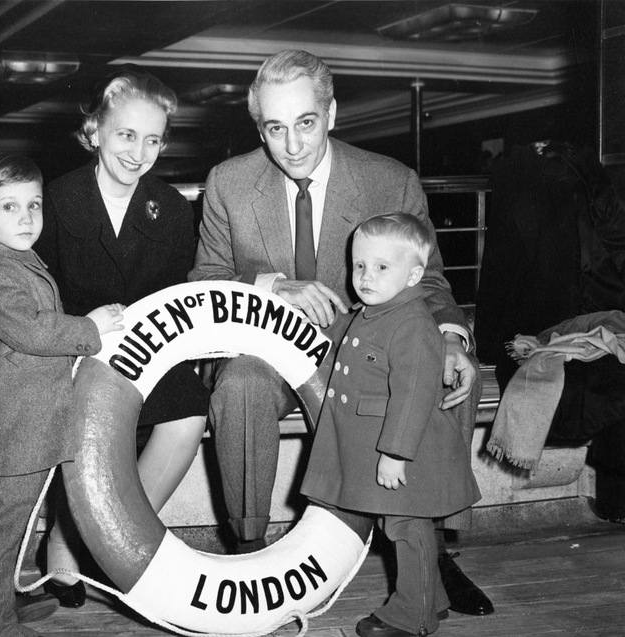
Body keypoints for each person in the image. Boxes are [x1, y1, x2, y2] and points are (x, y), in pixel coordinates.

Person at [188, 49, 493, 616]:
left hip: (372, 346)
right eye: (275, 129)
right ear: (260, 128)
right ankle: (249, 546)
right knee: (241, 385)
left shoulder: (389, 180)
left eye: (306, 123)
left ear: (331, 114)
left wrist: (452, 338)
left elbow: (431, 286)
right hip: (270, 349)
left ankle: (430, 550)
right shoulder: (228, 183)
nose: (293, 145)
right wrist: (272, 286)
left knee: (441, 367)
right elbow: (205, 278)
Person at [34, 66, 209, 607]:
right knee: (85, 428)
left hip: (149, 354)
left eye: (153, 139)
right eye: (126, 135)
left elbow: (178, 294)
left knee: (188, 414)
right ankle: (64, 548)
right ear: (95, 133)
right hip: (75, 355)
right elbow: (38, 297)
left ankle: (109, 537)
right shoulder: (55, 201)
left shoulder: (175, 208)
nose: (139, 152)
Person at [0, 153, 125, 637]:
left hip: (18, 429)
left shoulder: (14, 259)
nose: (26, 218)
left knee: (7, 533)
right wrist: (90, 328)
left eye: (34, 205)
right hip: (5, 433)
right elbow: (34, 332)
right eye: (10, 207)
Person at [301, 214, 482, 637]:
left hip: (408, 451)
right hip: (381, 446)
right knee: (398, 525)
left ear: (414, 274)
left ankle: (411, 616)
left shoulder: (415, 324)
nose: (365, 276)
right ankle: (432, 600)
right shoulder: (376, 310)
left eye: (382, 268)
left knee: (406, 528)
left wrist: (396, 454)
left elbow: (414, 394)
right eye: (359, 265)